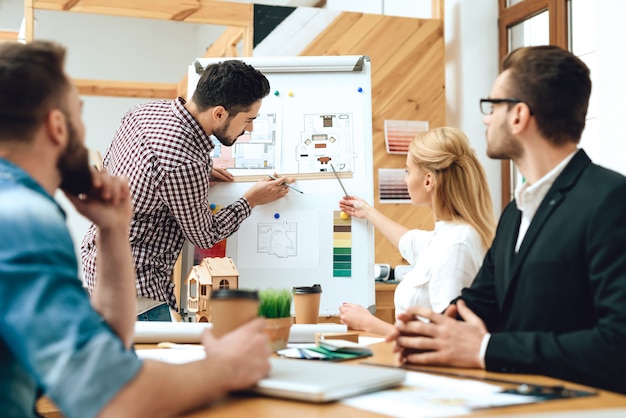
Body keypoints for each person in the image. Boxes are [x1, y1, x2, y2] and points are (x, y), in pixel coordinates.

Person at [0, 40, 271, 417]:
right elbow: (114, 395)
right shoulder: (22, 218)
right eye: (80, 112)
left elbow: (105, 355)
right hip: (143, 284)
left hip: (108, 270)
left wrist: (112, 228)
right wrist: (227, 365)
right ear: (57, 126)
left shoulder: (144, 113)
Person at [388, 45, 626, 394]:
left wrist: (485, 350)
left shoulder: (610, 199)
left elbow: (617, 343)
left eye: (492, 105)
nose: (486, 118)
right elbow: (482, 303)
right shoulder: (515, 212)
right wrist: (425, 330)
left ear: (518, 115)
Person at [81, 58, 293, 321]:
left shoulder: (143, 112)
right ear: (219, 113)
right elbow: (206, 235)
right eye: (248, 119)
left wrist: (195, 177)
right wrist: (250, 200)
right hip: (134, 290)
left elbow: (112, 169)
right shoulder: (185, 162)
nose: (249, 128)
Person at [338, 127, 496, 336]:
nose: (405, 179)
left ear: (428, 180)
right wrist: (367, 211)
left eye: (408, 171)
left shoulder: (458, 242)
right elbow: (408, 241)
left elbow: (446, 337)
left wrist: (368, 322)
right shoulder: (446, 234)